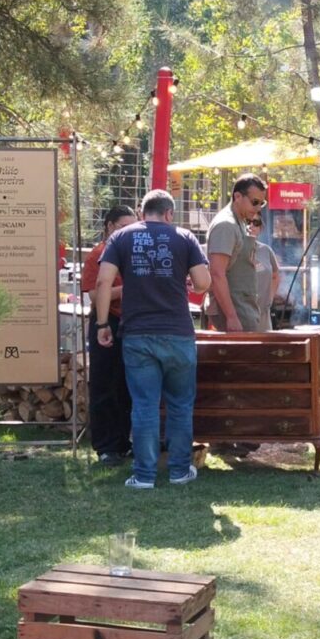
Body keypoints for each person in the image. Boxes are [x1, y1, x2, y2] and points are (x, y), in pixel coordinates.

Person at [93, 190, 210, 489]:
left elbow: (103, 281)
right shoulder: (185, 237)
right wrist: (187, 280)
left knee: (144, 405)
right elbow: (203, 283)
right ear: (169, 213)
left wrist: (103, 323)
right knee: (180, 404)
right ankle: (179, 470)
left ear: (141, 212)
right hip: (178, 333)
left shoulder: (121, 238)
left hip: (137, 333)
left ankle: (144, 475)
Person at [80, 205, 137, 466]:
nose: (130, 233)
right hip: (107, 321)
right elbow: (94, 294)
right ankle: (106, 446)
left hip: (132, 321)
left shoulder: (133, 253)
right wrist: (128, 289)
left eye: (134, 228)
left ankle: (123, 442)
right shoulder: (97, 255)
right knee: (105, 385)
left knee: (126, 386)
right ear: (110, 226)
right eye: (124, 227)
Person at [205, 174, 268, 332]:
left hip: (242, 307)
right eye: (254, 202)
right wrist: (231, 317)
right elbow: (217, 273)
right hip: (234, 312)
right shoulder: (226, 225)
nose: (258, 208)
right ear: (238, 197)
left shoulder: (239, 221)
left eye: (262, 203)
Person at [248, 214, 280, 331]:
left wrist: (269, 299)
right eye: (247, 221)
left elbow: (276, 275)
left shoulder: (266, 250)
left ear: (261, 228)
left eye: (256, 223)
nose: (251, 225)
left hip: (263, 313)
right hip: (241, 313)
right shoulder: (234, 249)